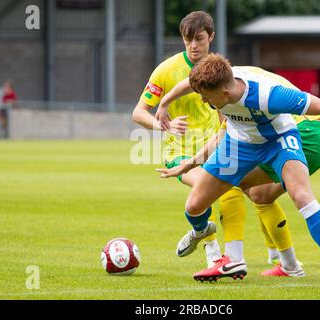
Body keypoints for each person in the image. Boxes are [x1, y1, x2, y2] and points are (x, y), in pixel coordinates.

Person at [156, 53, 320, 288]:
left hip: (278, 141)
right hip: (238, 144)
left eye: (206, 97)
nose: (202, 100)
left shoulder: (268, 95)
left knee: (302, 197)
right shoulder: (214, 82)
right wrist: (167, 110)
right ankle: (201, 230)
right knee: (194, 207)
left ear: (224, 92)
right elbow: (188, 86)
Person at [132, 11, 303, 279]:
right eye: (187, 39)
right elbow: (139, 112)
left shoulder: (220, 70)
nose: (193, 45)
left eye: (199, 39)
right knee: (219, 189)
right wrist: (163, 125)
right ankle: (222, 257)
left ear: (211, 37)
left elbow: (227, 112)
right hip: (180, 153)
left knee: (258, 194)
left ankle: (284, 259)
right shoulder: (166, 71)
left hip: (219, 146)